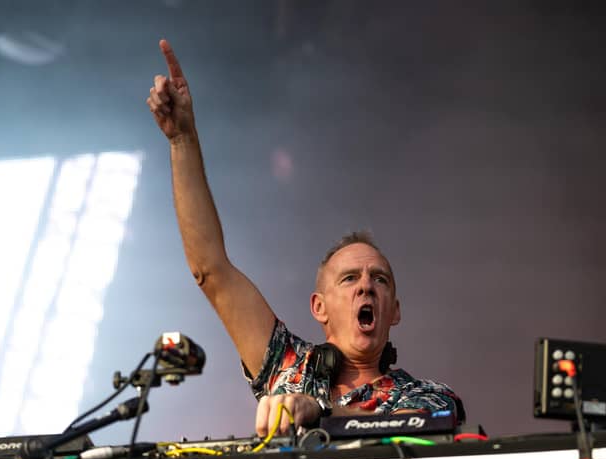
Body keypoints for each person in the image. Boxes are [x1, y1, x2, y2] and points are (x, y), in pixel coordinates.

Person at [146, 39, 464, 437]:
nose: (365, 285)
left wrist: (320, 412)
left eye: (379, 279)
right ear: (319, 306)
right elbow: (210, 270)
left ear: (394, 311)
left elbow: (428, 433)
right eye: (349, 279)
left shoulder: (432, 398)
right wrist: (181, 141)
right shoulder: (287, 363)